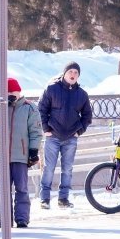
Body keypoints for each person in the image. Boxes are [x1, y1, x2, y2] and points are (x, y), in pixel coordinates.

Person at [37, 62, 93, 210]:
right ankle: (45, 199)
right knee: (49, 168)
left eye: (76, 72)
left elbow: (87, 116)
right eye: (71, 71)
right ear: (64, 73)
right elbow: (41, 109)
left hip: (71, 138)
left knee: (67, 169)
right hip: (52, 136)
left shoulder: (82, 94)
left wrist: (79, 131)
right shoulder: (51, 89)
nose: (73, 74)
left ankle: (63, 198)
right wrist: (46, 128)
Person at [0, 78, 41, 229]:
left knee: (21, 188)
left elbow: (36, 132)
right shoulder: (3, 108)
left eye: (13, 91)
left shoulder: (29, 107)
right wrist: (1, 105)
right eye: (7, 92)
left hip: (21, 155)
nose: (11, 94)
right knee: (3, 190)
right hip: (3, 156)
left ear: (19, 91)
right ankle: (4, 217)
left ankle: (22, 218)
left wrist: (33, 151)